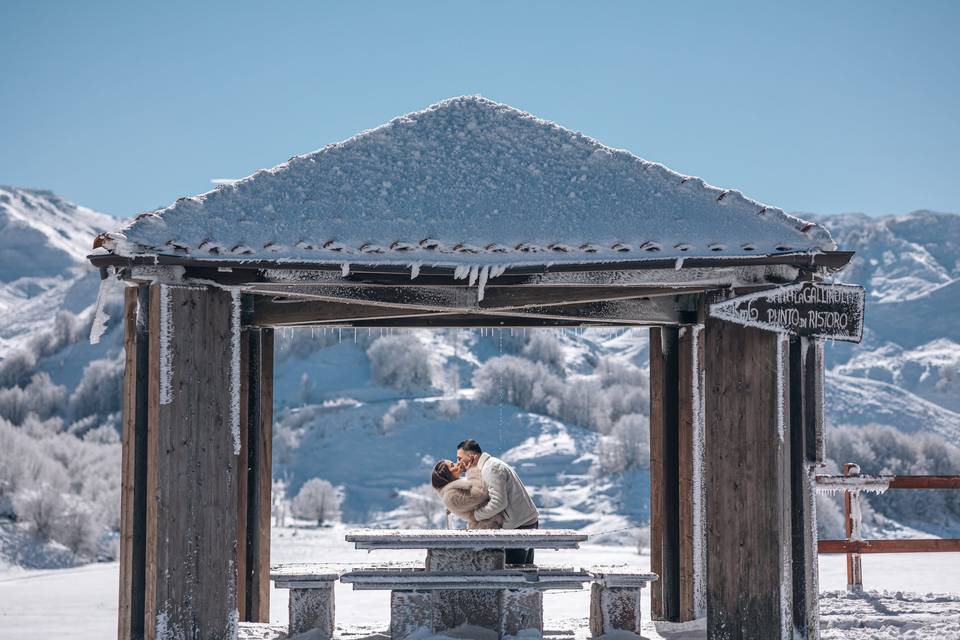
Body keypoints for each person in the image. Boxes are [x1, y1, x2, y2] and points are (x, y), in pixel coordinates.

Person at [455, 439, 540, 565]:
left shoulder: (491, 469)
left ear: (471, 457)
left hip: (519, 526)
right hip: (523, 523)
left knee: (514, 575)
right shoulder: (488, 467)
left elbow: (498, 502)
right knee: (523, 573)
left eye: (459, 458)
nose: (458, 463)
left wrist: (475, 516)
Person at [431, 459, 504, 529]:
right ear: (447, 475)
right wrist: (472, 469)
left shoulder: (455, 488)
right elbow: (480, 494)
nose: (457, 464)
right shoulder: (451, 496)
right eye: (453, 466)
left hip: (491, 525)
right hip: (488, 530)